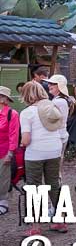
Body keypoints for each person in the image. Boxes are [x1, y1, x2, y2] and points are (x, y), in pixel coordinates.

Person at [20, 81, 65, 235]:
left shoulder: (27, 112)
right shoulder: (51, 107)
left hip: (35, 153)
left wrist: (21, 143)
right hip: (54, 150)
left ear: (26, 95)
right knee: (53, 183)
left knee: (34, 187)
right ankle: (60, 221)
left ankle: (35, 227)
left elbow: (26, 140)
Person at [45, 75, 71, 181]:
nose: (49, 85)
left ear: (59, 86)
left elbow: (49, 118)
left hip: (57, 135)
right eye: (49, 83)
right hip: (60, 134)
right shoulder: (59, 100)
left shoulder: (58, 102)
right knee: (57, 159)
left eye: (52, 84)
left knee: (54, 161)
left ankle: (55, 181)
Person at [0, 86, 20, 216]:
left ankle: (3, 201)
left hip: (4, 150)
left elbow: (14, 135)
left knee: (3, 177)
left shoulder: (11, 114)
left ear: (4, 99)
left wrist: (10, 153)